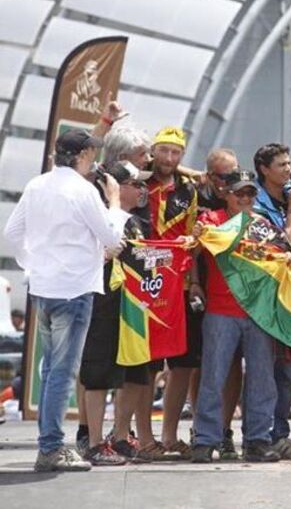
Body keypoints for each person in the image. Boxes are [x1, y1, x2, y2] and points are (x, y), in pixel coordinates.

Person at [3, 129, 129, 472]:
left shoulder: (36, 184)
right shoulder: (83, 190)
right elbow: (111, 237)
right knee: (61, 371)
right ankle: (51, 448)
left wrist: (33, 264)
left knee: (51, 371)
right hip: (74, 289)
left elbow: (11, 234)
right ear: (85, 154)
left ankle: (50, 444)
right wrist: (115, 203)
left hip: (43, 288)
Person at [191, 169, 281, 463]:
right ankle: (205, 440)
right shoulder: (210, 221)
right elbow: (193, 251)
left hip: (258, 312)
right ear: (225, 194)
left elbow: (280, 259)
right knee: (212, 377)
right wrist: (194, 282)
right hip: (220, 310)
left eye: (250, 193)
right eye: (238, 193)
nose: (244, 198)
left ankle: (257, 440)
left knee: (262, 379)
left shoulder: (263, 225)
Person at [76, 161, 152, 466]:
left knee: (137, 372)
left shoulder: (136, 221)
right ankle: (94, 443)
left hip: (133, 308)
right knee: (97, 374)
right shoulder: (100, 217)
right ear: (114, 187)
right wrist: (113, 202)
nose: (141, 189)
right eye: (134, 183)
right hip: (103, 305)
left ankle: (120, 437)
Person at [253, 143, 291, 459]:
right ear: (264, 169)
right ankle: (264, 436)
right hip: (267, 299)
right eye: (281, 165)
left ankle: (278, 431)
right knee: (268, 369)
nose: (289, 169)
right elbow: (280, 247)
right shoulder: (257, 203)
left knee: (288, 368)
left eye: (289, 163)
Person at [145, 126, 199, 459]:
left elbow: (193, 238)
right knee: (146, 364)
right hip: (145, 285)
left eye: (175, 152)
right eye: (163, 151)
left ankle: (168, 435)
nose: (168, 158)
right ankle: (144, 436)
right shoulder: (138, 182)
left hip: (178, 285)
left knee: (182, 364)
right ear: (153, 152)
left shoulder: (188, 190)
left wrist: (194, 282)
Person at [192, 147, 242, 460]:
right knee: (203, 365)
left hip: (242, 300)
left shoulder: (245, 196)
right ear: (211, 177)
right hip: (208, 295)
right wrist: (195, 284)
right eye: (225, 177)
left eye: (235, 173)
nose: (231, 182)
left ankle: (223, 431)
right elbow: (193, 248)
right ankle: (202, 431)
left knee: (234, 365)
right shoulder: (199, 198)